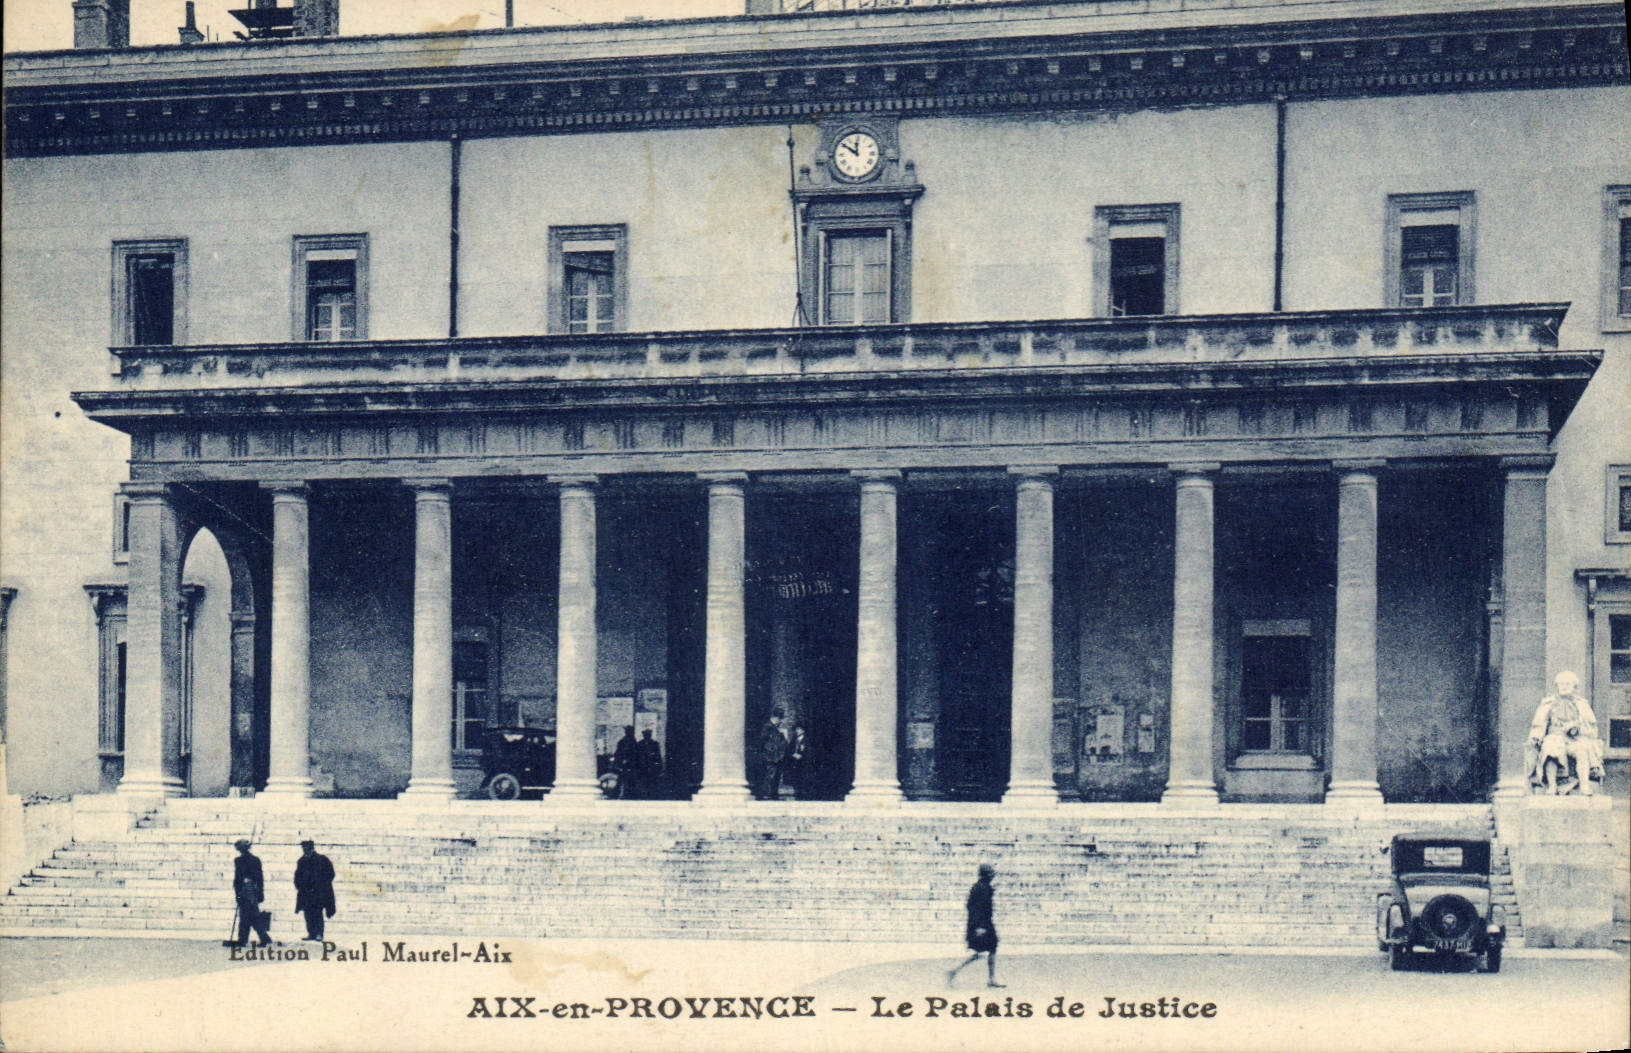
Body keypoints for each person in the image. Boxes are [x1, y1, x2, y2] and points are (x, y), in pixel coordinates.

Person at [1527, 671, 1604, 796]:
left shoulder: (1581, 704)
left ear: (1574, 686)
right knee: (1550, 747)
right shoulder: (1548, 703)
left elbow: (1592, 729)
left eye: (1567, 684)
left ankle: (1584, 785)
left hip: (1574, 740)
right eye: (1561, 684)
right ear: (1556, 686)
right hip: (1554, 737)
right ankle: (1552, 786)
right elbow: (1539, 724)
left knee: (1582, 749)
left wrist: (1577, 728)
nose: (1563, 686)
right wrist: (1536, 736)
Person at [948, 862, 1003, 988]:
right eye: (991, 873)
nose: (993, 875)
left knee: (988, 949)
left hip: (982, 923)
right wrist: (980, 926)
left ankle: (990, 978)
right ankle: (956, 972)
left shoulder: (981, 887)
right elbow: (976, 908)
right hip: (982, 924)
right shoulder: (982, 888)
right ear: (986, 874)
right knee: (985, 951)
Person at [292, 839, 337, 942]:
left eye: (307, 849)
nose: (305, 851)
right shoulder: (301, 861)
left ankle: (319, 934)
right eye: (304, 849)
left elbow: (330, 874)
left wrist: (322, 885)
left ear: (312, 848)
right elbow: (297, 876)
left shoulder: (322, 859)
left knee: (317, 913)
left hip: (318, 893)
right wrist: (299, 886)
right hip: (306, 893)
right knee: (308, 914)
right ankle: (311, 933)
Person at [232, 838, 273, 947]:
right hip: (244, 890)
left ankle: (247, 939)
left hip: (250, 890)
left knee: (250, 915)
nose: (241, 850)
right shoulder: (240, 860)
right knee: (249, 915)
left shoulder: (253, 860)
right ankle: (261, 938)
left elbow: (259, 877)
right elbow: (237, 878)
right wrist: (237, 892)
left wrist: (260, 892)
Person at [755, 708, 790, 800]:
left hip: (778, 756)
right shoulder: (768, 726)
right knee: (769, 775)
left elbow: (784, 743)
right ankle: (765, 794)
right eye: (779, 718)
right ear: (775, 717)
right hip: (770, 756)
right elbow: (763, 740)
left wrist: (784, 735)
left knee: (776, 776)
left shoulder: (777, 728)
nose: (780, 721)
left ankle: (773, 794)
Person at [612, 726, 640, 799]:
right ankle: (619, 795)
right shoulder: (623, 741)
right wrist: (620, 762)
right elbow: (618, 753)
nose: (630, 733)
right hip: (625, 765)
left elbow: (637, 753)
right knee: (623, 780)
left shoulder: (633, 741)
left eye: (631, 731)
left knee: (631, 780)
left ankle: (630, 795)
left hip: (632, 764)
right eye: (629, 731)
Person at [635, 729, 664, 799]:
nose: (647, 736)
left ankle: (651, 795)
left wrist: (659, 767)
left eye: (648, 735)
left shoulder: (654, 744)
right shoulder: (639, 744)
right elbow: (636, 756)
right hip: (642, 767)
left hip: (652, 767)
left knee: (652, 783)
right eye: (646, 735)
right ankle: (643, 796)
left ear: (650, 735)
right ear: (643, 735)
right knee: (642, 782)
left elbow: (658, 756)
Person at [786, 723, 808, 799]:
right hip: (794, 762)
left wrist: (802, 755)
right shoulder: (794, 740)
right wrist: (792, 754)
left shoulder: (807, 740)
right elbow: (789, 750)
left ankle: (803, 793)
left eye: (799, 729)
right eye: (796, 729)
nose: (797, 731)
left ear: (803, 730)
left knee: (803, 777)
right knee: (795, 777)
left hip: (803, 762)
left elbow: (809, 751)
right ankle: (797, 792)